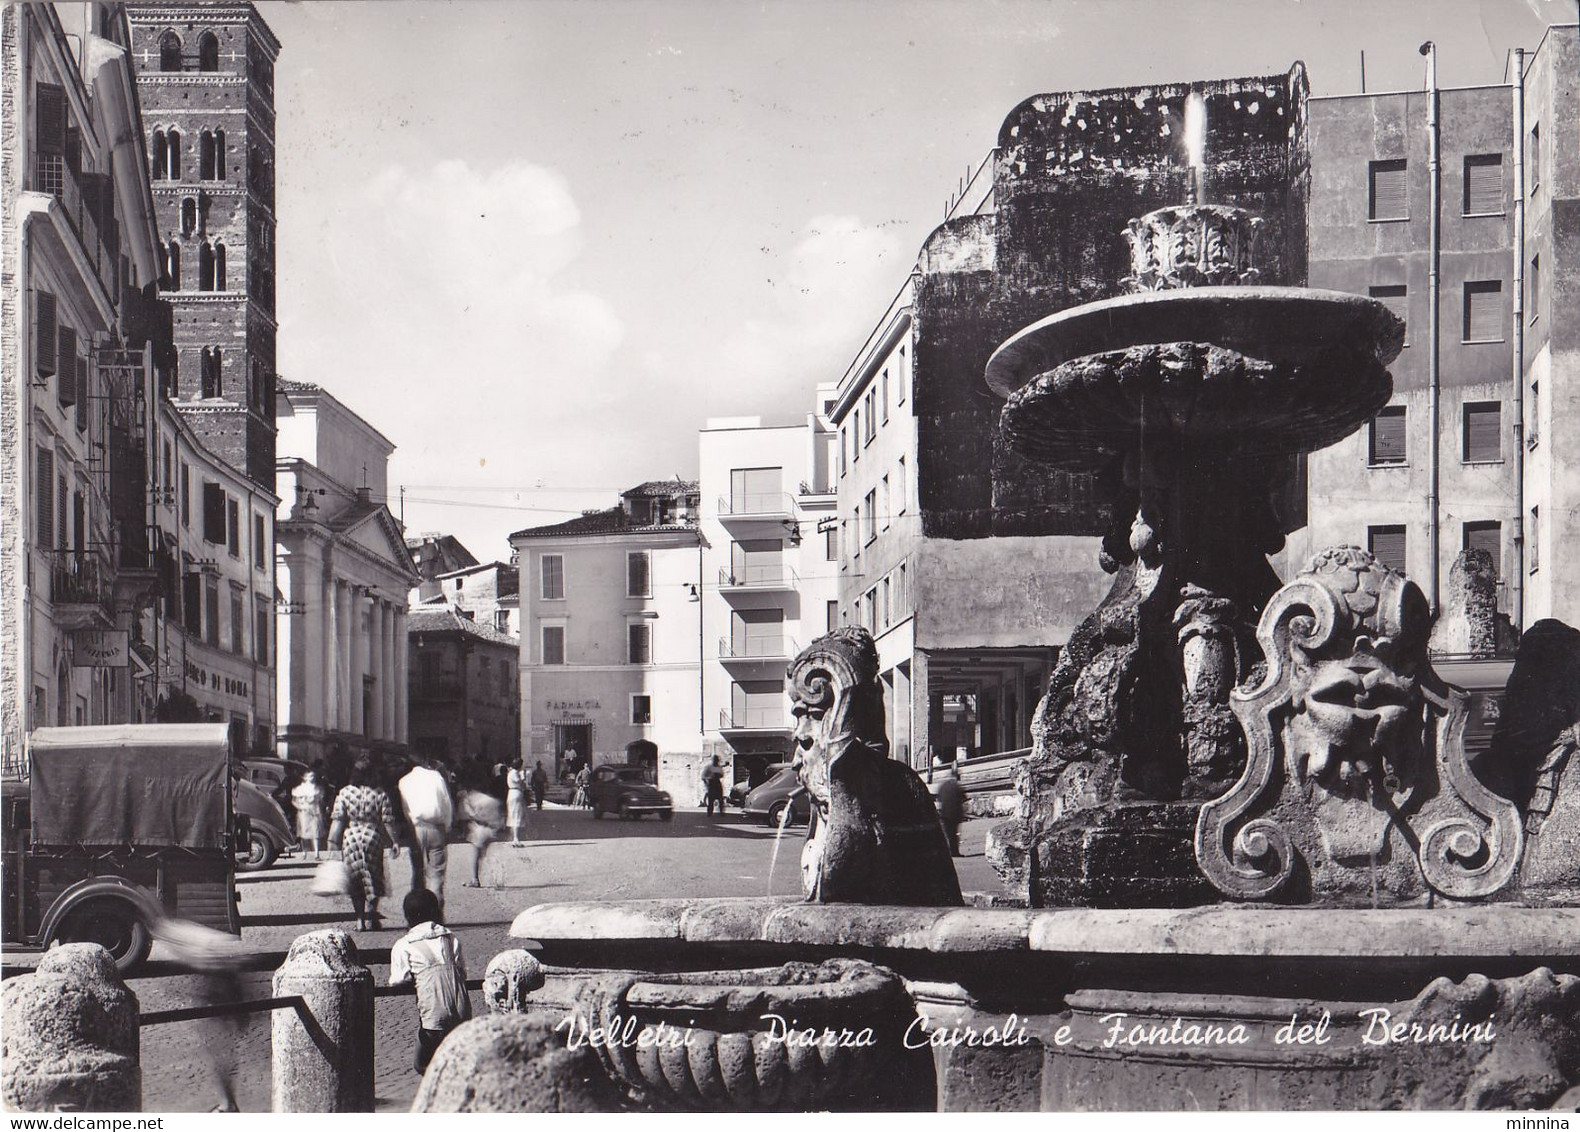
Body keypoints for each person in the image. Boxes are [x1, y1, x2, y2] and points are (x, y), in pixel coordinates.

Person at [388, 887, 472, 1074]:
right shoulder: (450, 938)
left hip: (434, 1019)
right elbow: (461, 972)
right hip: (462, 1012)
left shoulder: (404, 945)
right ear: (436, 912)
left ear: (407, 917)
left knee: (422, 1064)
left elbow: (398, 980)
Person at [327, 757, 403, 930]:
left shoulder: (345, 792)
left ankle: (359, 920)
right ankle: (372, 917)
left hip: (351, 838)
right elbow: (388, 821)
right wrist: (395, 842)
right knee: (373, 876)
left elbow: (337, 820)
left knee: (355, 879)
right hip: (372, 837)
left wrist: (332, 842)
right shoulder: (379, 793)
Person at [399, 754, 454, 917]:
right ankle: (435, 912)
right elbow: (446, 802)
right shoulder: (436, 777)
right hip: (436, 827)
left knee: (417, 871)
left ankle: (416, 913)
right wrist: (448, 825)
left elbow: (405, 809)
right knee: (436, 873)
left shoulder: (404, 780)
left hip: (416, 828)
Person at [456, 784, 505, 887]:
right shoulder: (493, 801)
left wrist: (468, 808)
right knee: (486, 855)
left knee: (476, 856)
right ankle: (497, 879)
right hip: (491, 830)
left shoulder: (474, 799)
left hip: (480, 829)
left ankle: (475, 880)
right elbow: (500, 818)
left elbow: (474, 815)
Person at [291, 764, 327, 860]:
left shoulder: (318, 789)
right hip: (303, 812)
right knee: (304, 833)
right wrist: (300, 807)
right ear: (304, 777)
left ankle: (316, 853)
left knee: (316, 833)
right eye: (310, 776)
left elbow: (321, 801)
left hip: (315, 811)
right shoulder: (299, 789)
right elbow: (294, 801)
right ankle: (304, 852)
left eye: (313, 776)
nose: (312, 778)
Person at [935, 762, 967, 857]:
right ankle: (954, 852)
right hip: (954, 814)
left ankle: (946, 851)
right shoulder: (958, 787)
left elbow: (939, 799)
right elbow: (963, 799)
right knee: (953, 834)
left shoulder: (943, 785)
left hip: (944, 814)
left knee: (946, 834)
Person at [505, 758, 527, 846]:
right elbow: (520, 782)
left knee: (514, 814)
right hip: (516, 793)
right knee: (517, 815)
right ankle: (516, 838)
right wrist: (523, 776)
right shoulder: (514, 773)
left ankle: (514, 837)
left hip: (512, 793)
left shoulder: (511, 772)